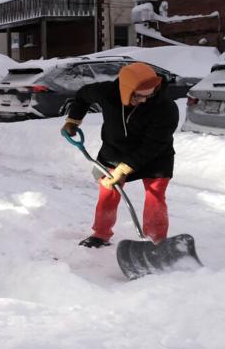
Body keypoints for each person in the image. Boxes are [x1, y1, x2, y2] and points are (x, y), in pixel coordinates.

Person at [61, 63, 176, 248]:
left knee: (155, 196)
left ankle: (156, 241)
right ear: (126, 90)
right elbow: (83, 95)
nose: (145, 100)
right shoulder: (107, 92)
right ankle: (100, 234)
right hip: (115, 152)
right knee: (108, 193)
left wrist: (125, 169)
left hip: (155, 156)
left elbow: (155, 144)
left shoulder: (165, 107)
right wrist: (73, 120)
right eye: (139, 96)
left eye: (150, 94)